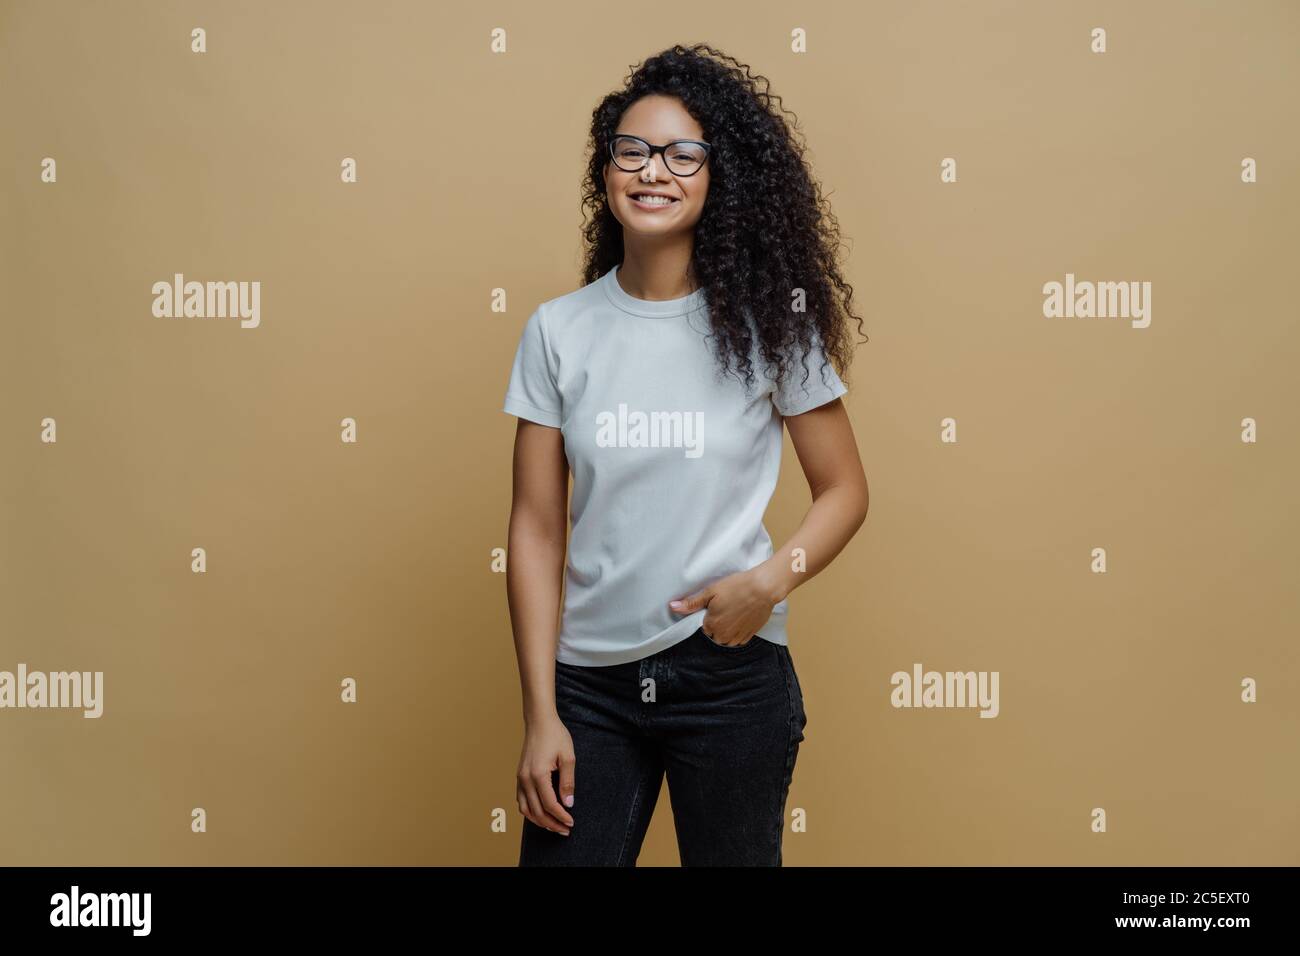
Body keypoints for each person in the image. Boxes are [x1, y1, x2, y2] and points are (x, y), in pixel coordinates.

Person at [503, 43, 869, 866]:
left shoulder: (772, 326)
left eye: (681, 154)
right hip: (588, 688)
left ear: (717, 177)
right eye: (631, 151)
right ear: (606, 173)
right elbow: (534, 529)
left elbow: (845, 491)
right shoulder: (558, 332)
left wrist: (772, 581)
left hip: (729, 676)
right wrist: (541, 713)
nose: (652, 171)